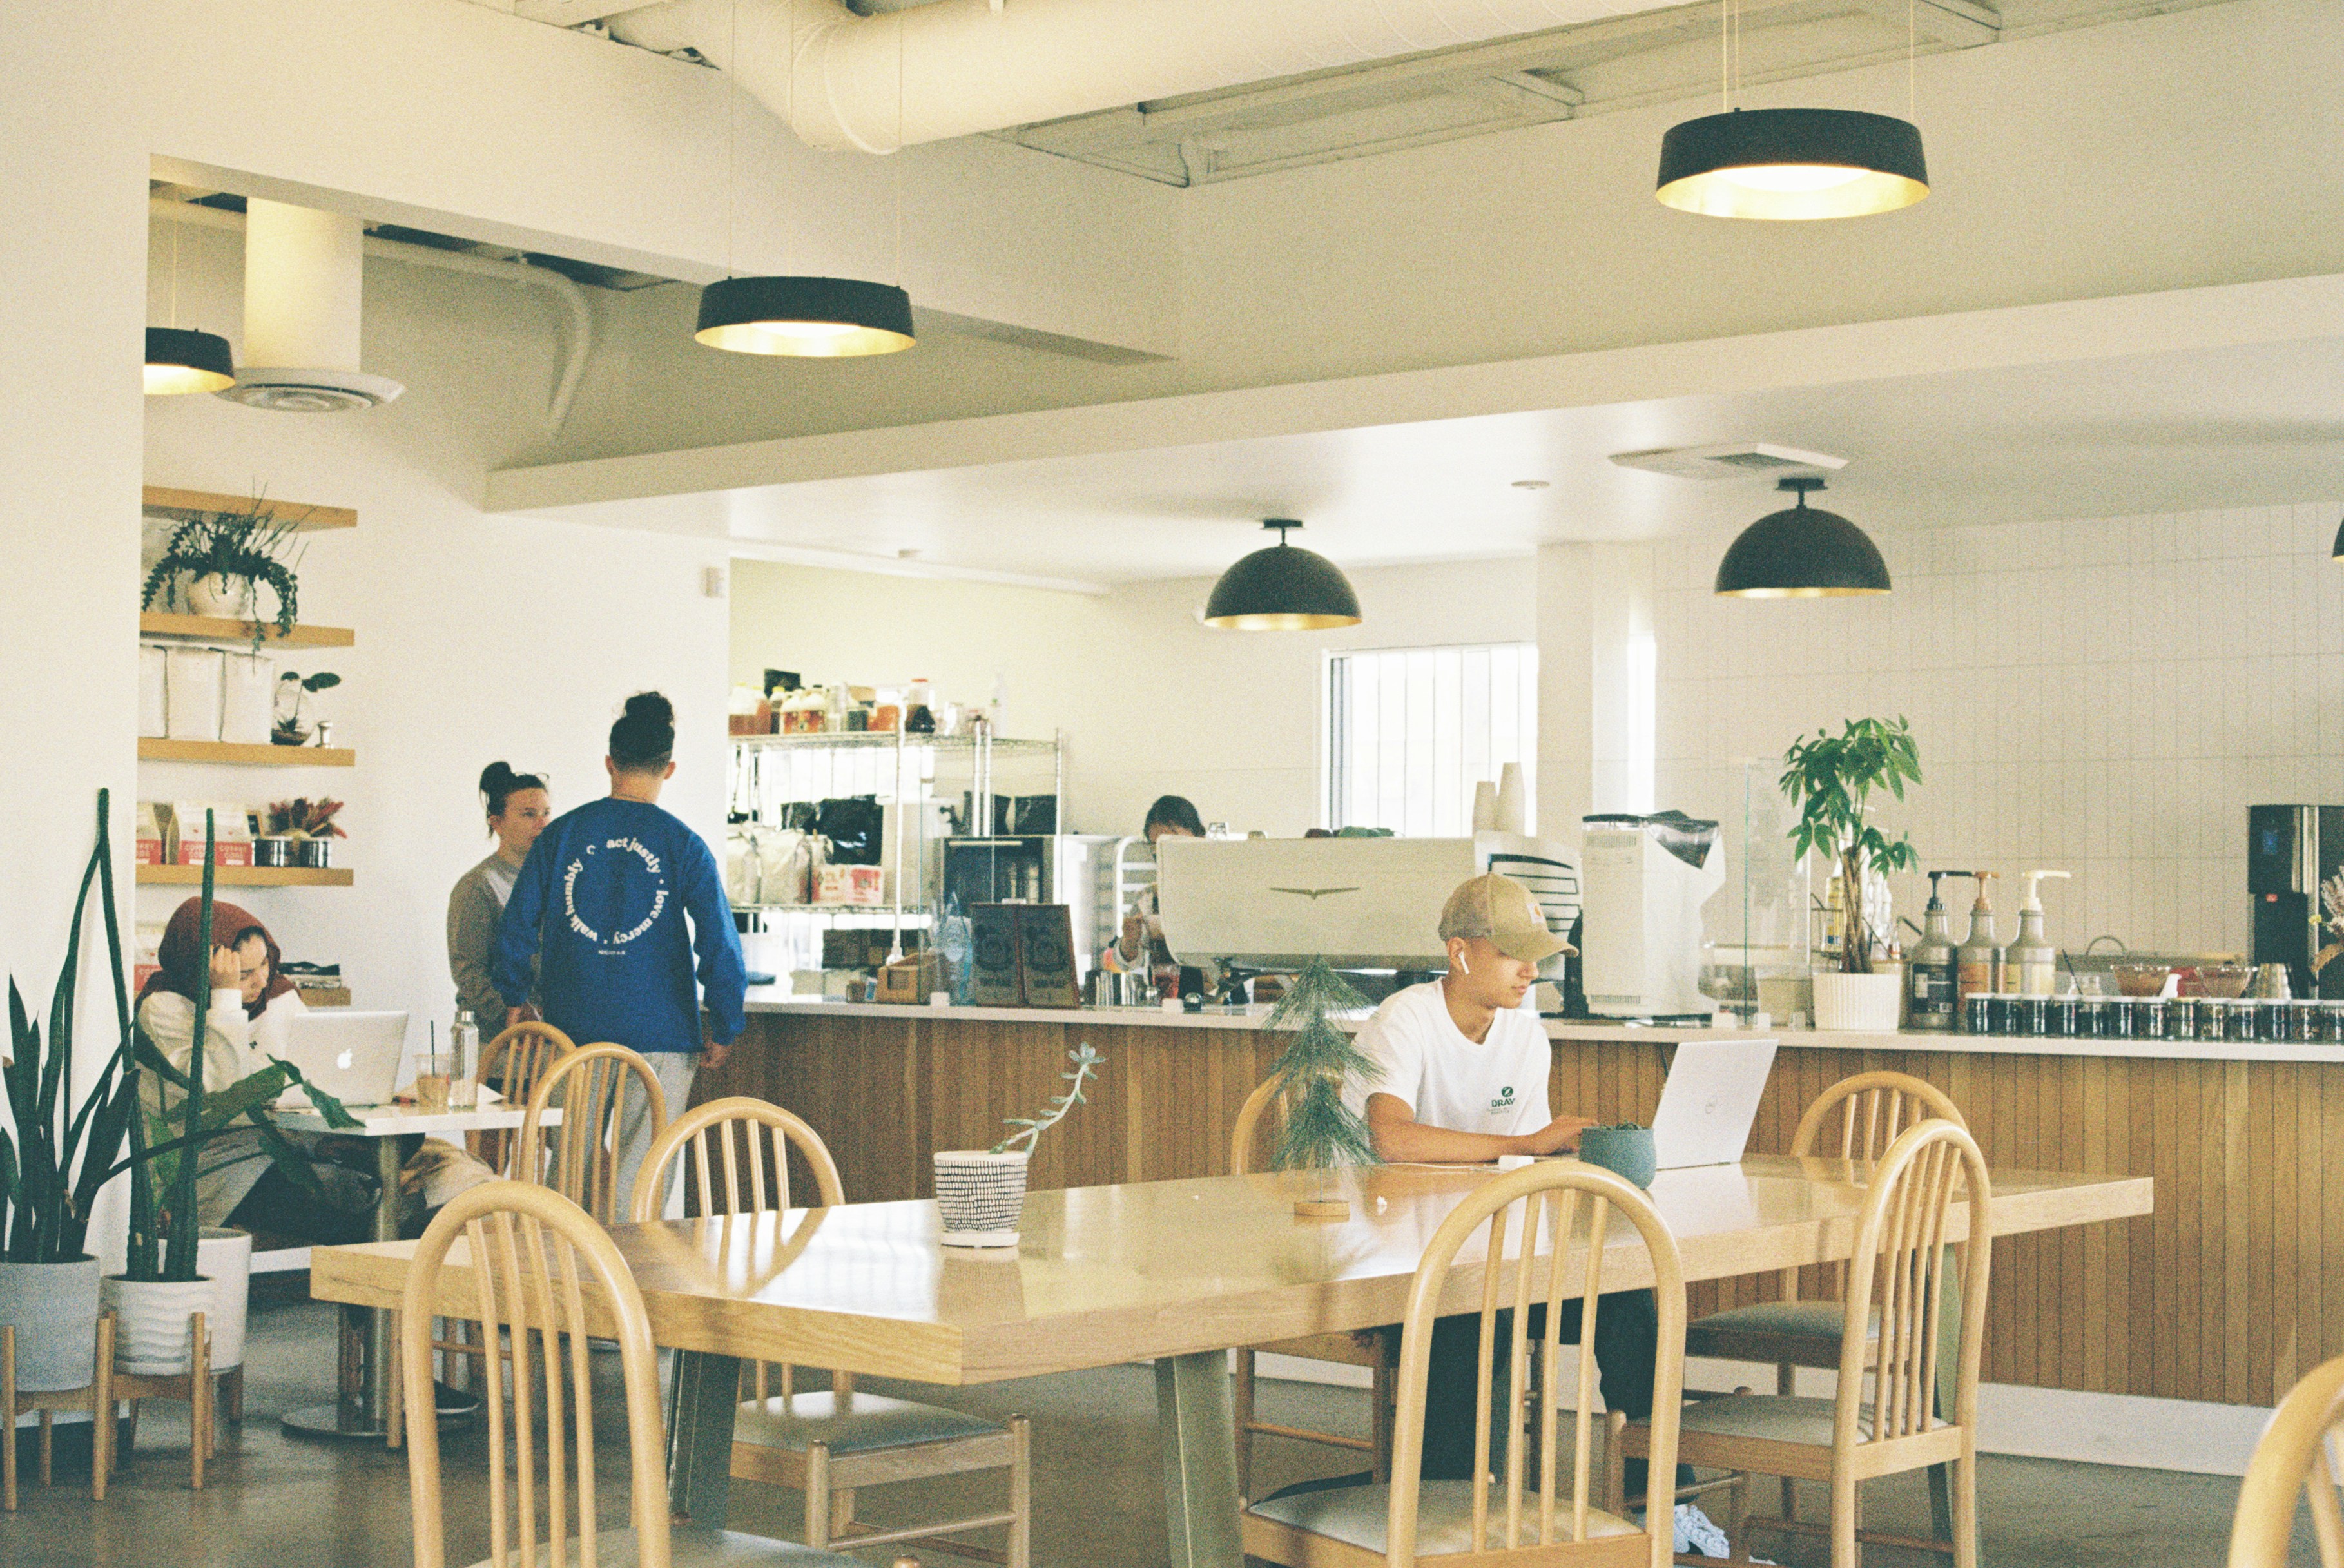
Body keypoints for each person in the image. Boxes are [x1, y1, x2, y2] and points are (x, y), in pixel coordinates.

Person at [1342, 871, 1729, 1556]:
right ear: (1461, 953)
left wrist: (1558, 1157)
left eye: (1538, 954)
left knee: (1632, 1302)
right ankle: (1435, 1521)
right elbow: (1388, 1137)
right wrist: (1524, 1143)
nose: (1532, 970)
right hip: (1400, 1267)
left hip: (1489, 1258)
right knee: (1468, 1322)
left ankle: (1660, 1504)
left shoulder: (1525, 1035)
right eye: (1513, 953)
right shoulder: (1403, 1019)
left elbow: (1521, 1171)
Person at [493, 692, 746, 1221]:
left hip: (575, 1030)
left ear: (610, 762)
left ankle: (563, 1287)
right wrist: (724, 1022)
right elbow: (719, 942)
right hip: (661, 1034)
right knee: (643, 1182)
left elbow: (516, 926)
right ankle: (631, 1292)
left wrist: (514, 997)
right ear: (669, 768)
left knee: (569, 1175)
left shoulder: (560, 836)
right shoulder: (684, 844)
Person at [134, 898, 371, 1244]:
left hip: (287, 1143)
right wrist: (226, 998)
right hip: (210, 1162)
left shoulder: (278, 996)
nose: (262, 981)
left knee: (393, 1151)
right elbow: (225, 1096)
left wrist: (317, 1142)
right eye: (244, 974)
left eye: (265, 963)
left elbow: (312, 1076)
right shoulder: (164, 1008)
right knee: (332, 1214)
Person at [447, 760, 552, 1052]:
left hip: (547, 1038)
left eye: (546, 813)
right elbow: (468, 970)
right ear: (498, 822)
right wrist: (512, 1014)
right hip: (495, 1043)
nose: (542, 824)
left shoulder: (557, 882)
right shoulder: (478, 886)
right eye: (529, 815)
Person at [1114, 794, 1210, 996]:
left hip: (1221, 1005)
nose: (1165, 854)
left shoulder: (1220, 889)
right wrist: (1129, 941)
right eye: (1156, 847)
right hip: (1166, 1003)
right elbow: (1127, 963)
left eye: (1173, 843)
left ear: (1200, 837)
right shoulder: (1149, 896)